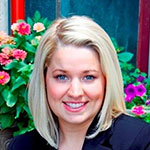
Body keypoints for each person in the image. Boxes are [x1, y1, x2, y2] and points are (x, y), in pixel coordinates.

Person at [8, 16, 150, 150]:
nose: (75, 92)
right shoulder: (22, 146)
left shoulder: (139, 142)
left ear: (107, 81)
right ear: (44, 80)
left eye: (88, 77)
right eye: (62, 77)